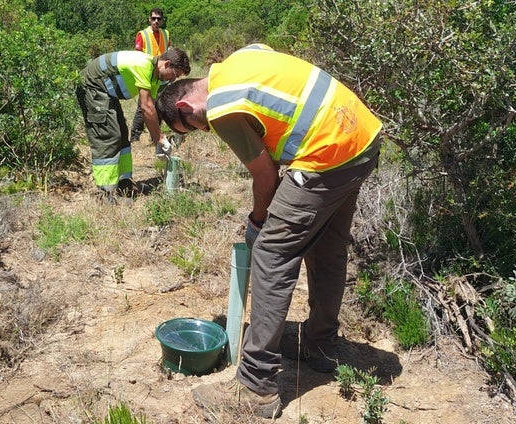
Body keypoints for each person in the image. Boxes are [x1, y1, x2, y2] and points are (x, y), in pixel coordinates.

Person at [155, 44, 382, 418]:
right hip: (361, 137)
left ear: (184, 107)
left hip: (327, 153)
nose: (204, 129)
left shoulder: (222, 107)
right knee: (327, 248)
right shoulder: (238, 59)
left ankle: (255, 386)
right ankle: (320, 346)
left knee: (272, 254)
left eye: (193, 127)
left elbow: (265, 175)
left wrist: (258, 222)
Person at [76, 47, 190, 198]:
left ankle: (124, 182)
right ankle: (105, 192)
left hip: (107, 92)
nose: (173, 80)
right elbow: (146, 108)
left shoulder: (155, 77)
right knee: (108, 136)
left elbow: (151, 110)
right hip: (91, 85)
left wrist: (157, 140)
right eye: (174, 74)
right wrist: (160, 139)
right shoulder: (143, 65)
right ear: (167, 64)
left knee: (122, 133)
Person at [130, 8, 171, 143]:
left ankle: (155, 136)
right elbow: (137, 55)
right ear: (149, 19)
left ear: (162, 20)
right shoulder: (143, 34)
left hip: (162, 74)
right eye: (153, 18)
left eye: (159, 19)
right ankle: (135, 136)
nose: (156, 21)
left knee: (160, 105)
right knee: (144, 105)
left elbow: (168, 51)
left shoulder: (166, 34)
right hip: (147, 74)